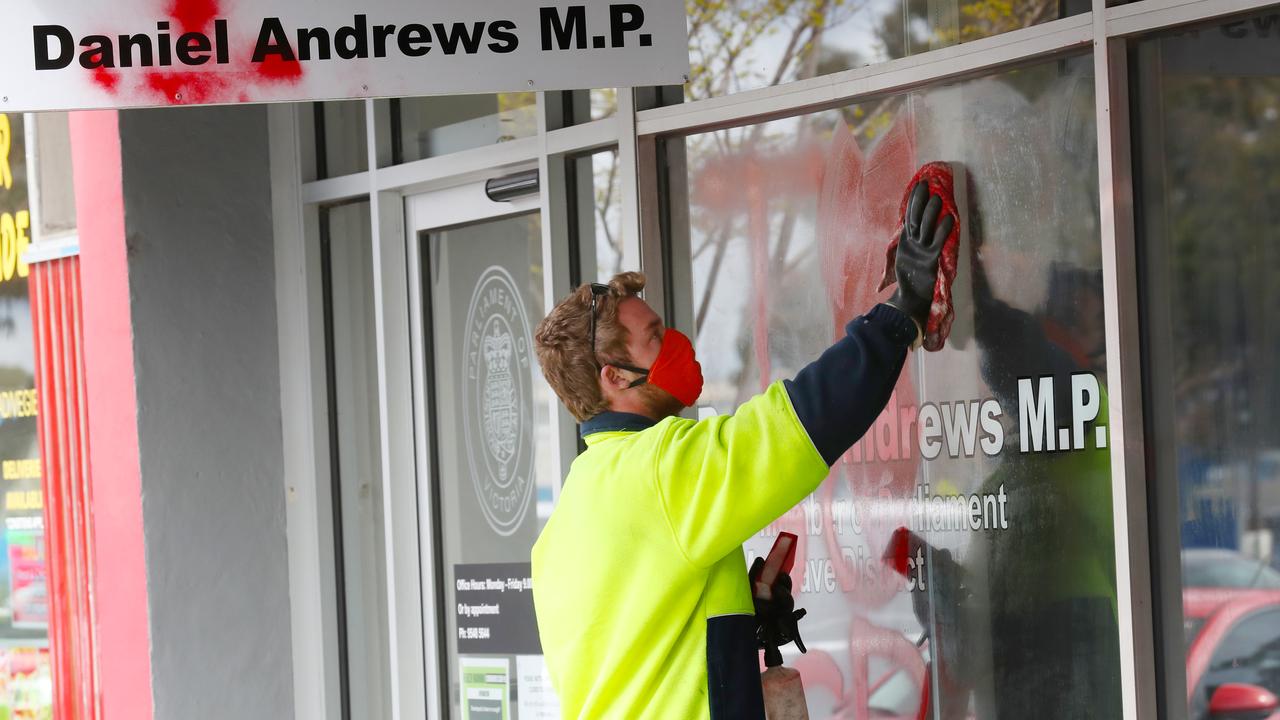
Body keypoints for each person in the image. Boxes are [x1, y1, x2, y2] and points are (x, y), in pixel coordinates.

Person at [530, 181, 953, 719]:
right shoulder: (657, 469)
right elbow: (794, 426)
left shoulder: (570, 515)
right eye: (656, 336)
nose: (676, 340)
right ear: (614, 377)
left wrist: (735, 611)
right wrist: (900, 317)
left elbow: (641, 644)